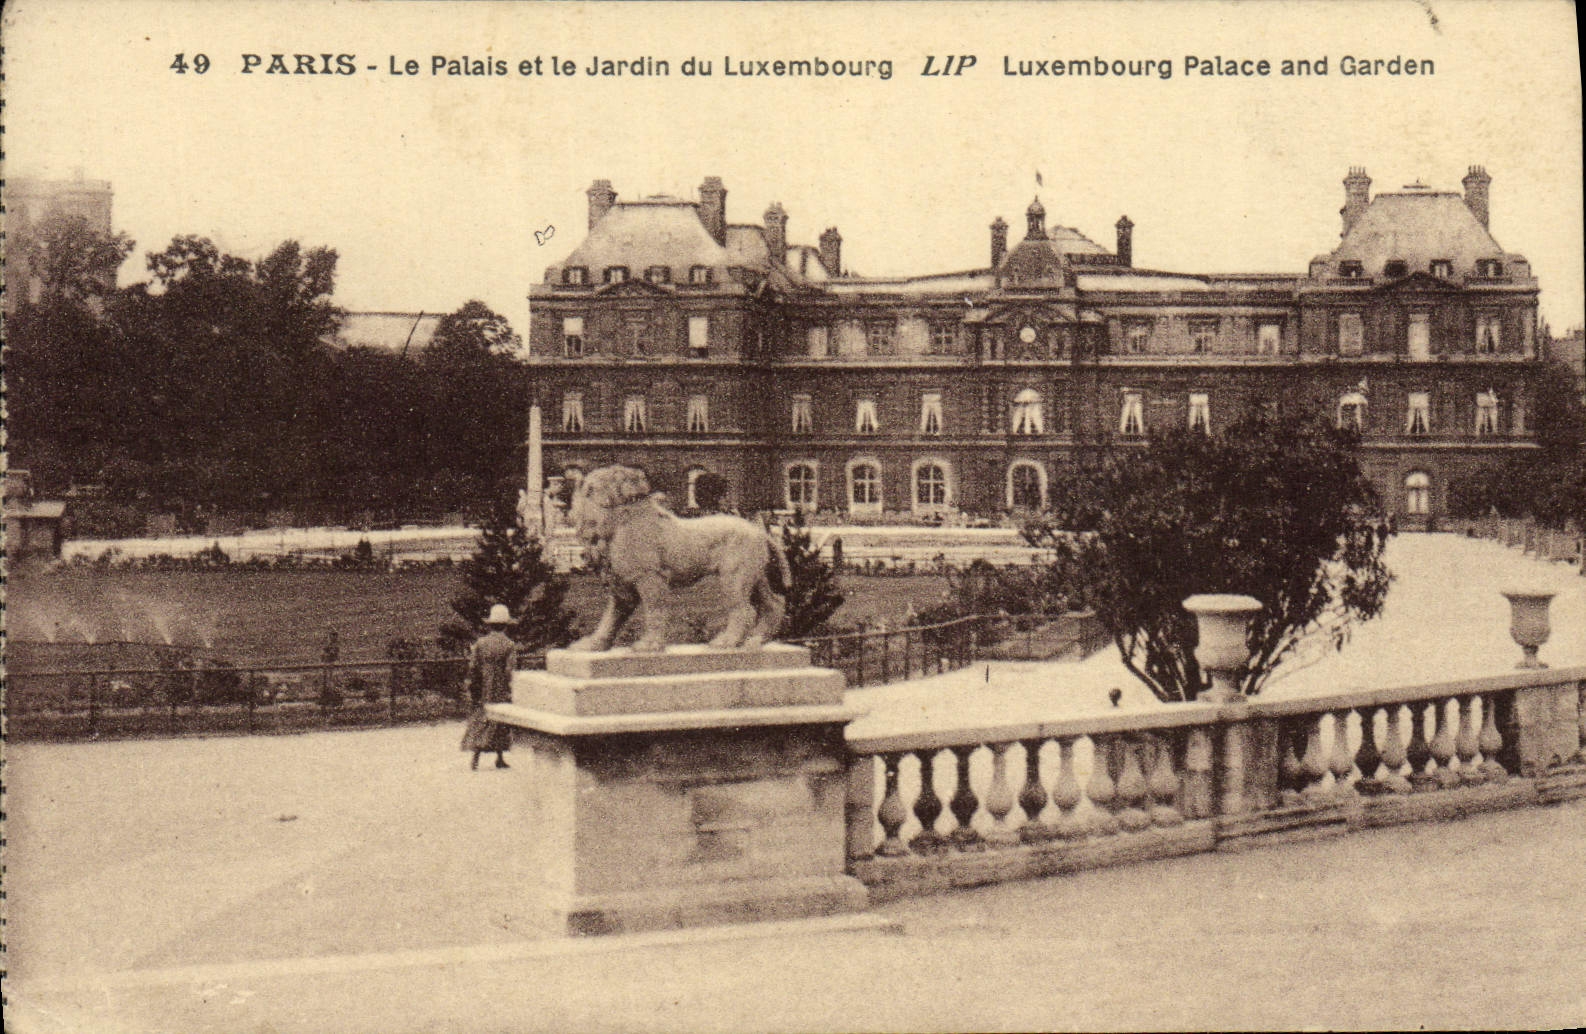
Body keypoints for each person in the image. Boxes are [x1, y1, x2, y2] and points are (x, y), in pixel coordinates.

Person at [461, 604, 517, 770]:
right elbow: (509, 670)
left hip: (483, 685)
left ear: (490, 625)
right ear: (506, 625)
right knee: (500, 720)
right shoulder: (509, 645)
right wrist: (510, 687)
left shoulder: (481, 643)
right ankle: (499, 757)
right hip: (499, 686)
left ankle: (476, 757)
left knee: (481, 717)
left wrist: (472, 684)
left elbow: (473, 666)